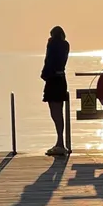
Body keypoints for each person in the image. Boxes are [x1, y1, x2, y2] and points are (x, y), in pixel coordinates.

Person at [41, 25, 70, 156]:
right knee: (60, 112)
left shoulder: (52, 44)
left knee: (55, 113)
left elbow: (48, 61)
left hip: (53, 80)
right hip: (61, 79)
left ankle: (60, 142)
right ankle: (60, 142)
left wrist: (44, 74)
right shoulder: (65, 45)